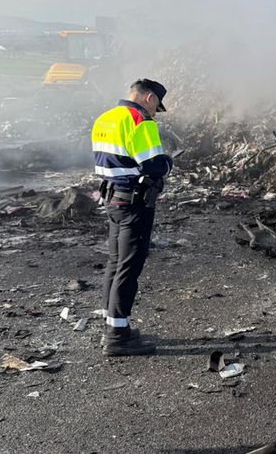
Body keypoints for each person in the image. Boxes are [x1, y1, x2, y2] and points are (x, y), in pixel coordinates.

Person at [90, 78, 174, 356]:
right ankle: (118, 337)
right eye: (155, 107)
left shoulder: (106, 118)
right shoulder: (140, 121)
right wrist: (168, 163)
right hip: (133, 203)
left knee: (115, 263)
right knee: (129, 266)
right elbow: (153, 166)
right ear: (149, 98)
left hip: (112, 198)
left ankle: (114, 325)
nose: (154, 113)